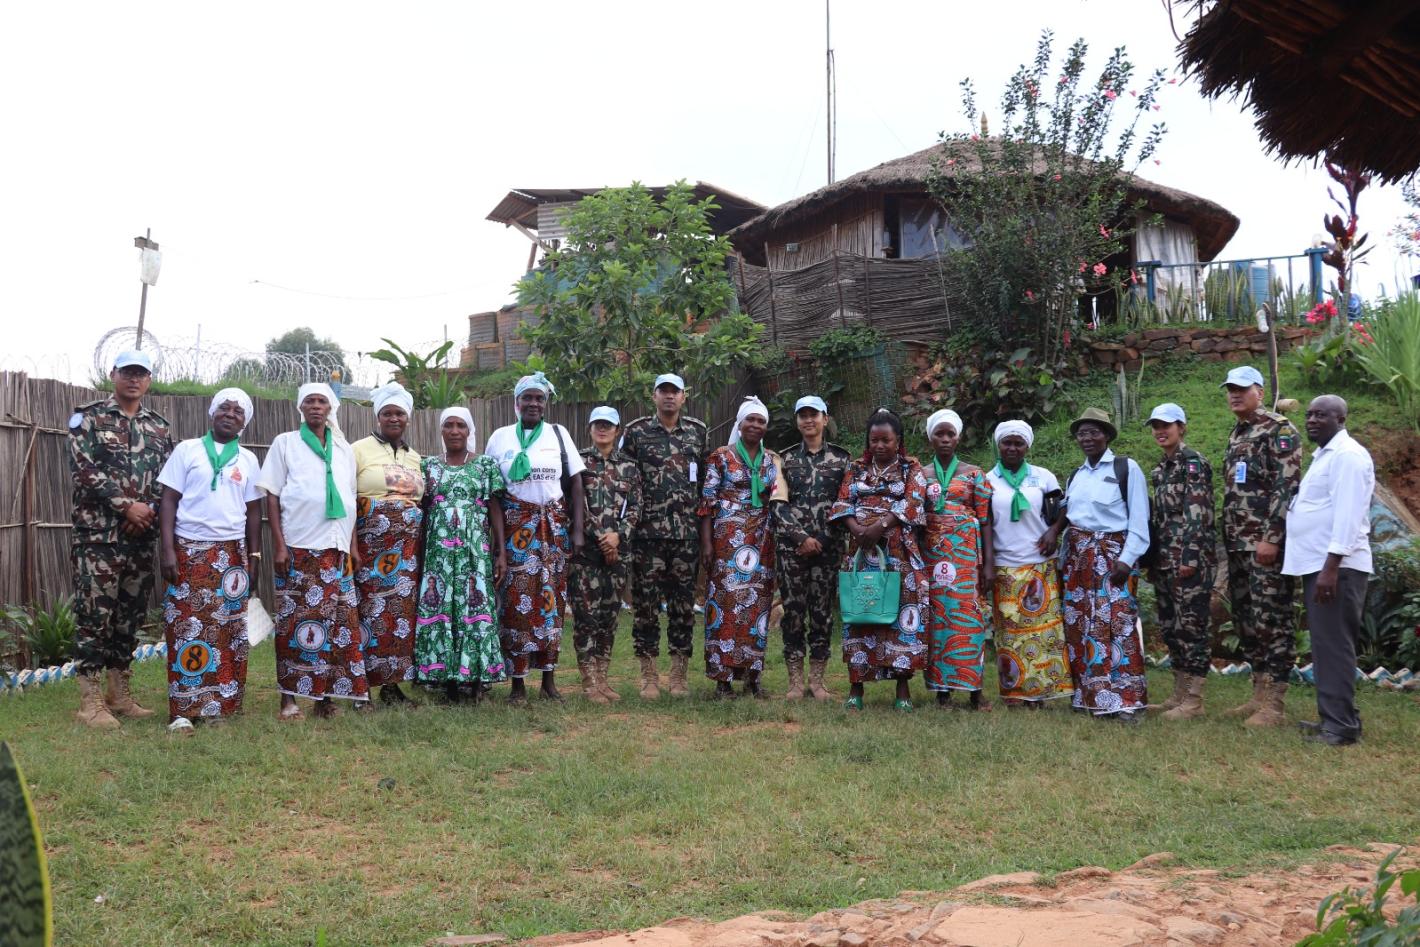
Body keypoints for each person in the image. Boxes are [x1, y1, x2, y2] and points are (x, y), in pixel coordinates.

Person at [68, 349, 173, 729]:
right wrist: (126, 506)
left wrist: (144, 511)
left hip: (139, 537)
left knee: (129, 616)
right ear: (113, 374)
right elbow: (85, 470)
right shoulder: (89, 418)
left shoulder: (159, 426)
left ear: (148, 380)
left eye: (141, 373)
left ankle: (119, 692)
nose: (134, 379)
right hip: (98, 537)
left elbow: (168, 479)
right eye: (127, 372)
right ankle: (89, 699)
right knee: (95, 616)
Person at [156, 388, 263, 733]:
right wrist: (169, 550)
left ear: (244, 422)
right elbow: (169, 500)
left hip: (232, 554)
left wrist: (255, 557)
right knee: (184, 627)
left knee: (227, 631)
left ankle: (219, 705)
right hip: (190, 550)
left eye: (238, 411)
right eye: (225, 408)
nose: (230, 414)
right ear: (212, 413)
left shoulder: (247, 459)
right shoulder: (187, 450)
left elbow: (253, 512)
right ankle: (183, 710)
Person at [259, 383, 365, 719]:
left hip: (337, 548)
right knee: (296, 622)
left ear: (331, 407)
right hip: (300, 546)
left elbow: (349, 499)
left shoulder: (344, 448)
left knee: (338, 625)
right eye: (310, 401)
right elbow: (272, 495)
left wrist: (352, 546)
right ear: (301, 408)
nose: (316, 406)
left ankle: (325, 699)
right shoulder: (285, 443)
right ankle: (288, 699)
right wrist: (279, 544)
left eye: (322, 401)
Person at [484, 372, 585, 702]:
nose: (533, 403)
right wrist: (498, 545)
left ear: (545, 403)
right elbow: (494, 493)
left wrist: (579, 530)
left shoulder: (558, 435)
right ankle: (517, 683)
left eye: (539, 398)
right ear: (516, 403)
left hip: (553, 533)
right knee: (515, 606)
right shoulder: (500, 438)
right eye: (527, 397)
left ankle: (549, 680)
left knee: (552, 605)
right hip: (515, 534)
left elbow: (575, 483)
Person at [1283, 395, 1374, 747]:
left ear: (1341, 417)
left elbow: (1349, 514)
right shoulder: (1326, 455)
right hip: (1322, 565)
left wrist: (1331, 566)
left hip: (1338, 567)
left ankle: (1340, 728)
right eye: (1308, 414)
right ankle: (1335, 719)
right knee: (1326, 645)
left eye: (1321, 415)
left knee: (1334, 645)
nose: (1311, 420)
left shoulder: (1348, 456)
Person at [828, 407, 930, 711]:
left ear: (898, 440)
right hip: (861, 553)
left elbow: (914, 502)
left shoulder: (911, 468)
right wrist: (858, 529)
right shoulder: (857, 468)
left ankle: (902, 691)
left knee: (900, 619)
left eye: (886, 440)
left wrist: (880, 526)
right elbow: (842, 501)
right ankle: (855, 689)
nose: (880, 446)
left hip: (897, 551)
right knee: (860, 613)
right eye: (874, 440)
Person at [1220, 365, 1302, 726]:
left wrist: (1271, 537)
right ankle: (1258, 694)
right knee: (1248, 620)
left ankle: (1276, 704)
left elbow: (1287, 487)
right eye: (1230, 389)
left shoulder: (1279, 430)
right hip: (1238, 545)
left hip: (1265, 545)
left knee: (1274, 619)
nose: (1234, 394)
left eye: (1242, 388)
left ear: (1260, 391)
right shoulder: (1238, 432)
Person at [1059, 408, 1151, 723]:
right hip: (1079, 562)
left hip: (1114, 560)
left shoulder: (1127, 468)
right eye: (1082, 433)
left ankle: (1126, 700)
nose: (1087, 438)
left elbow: (1140, 520)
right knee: (1082, 628)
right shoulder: (1076, 476)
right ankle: (1089, 696)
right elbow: (1069, 520)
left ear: (1107, 435)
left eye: (1094, 432)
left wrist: (1126, 561)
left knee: (1117, 627)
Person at [621, 373, 708, 698]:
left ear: (684, 397)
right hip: (647, 537)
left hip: (686, 537)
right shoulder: (636, 432)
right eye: (663, 391)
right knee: (645, 608)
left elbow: (703, 485)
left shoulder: (697, 432)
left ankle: (679, 676)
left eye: (675, 392)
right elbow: (625, 482)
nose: (669, 397)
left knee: (683, 608)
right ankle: (648, 677)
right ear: (654, 396)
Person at [416, 407, 508, 702]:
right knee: (441, 607)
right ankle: (447, 679)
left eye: (460, 426)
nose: (455, 431)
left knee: (475, 608)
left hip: (474, 552)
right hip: (438, 555)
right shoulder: (428, 466)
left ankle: (478, 678)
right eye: (448, 426)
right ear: (441, 431)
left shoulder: (485, 466)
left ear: (470, 431)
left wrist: (500, 553)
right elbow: (422, 510)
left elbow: (495, 510)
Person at [699, 397, 788, 699]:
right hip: (726, 541)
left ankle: (753, 677)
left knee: (757, 608)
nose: (755, 425)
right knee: (724, 605)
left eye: (761, 421)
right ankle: (722, 680)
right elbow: (707, 503)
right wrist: (707, 544)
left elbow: (779, 498)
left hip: (761, 542)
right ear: (739, 423)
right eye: (750, 419)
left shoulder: (771, 460)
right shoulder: (720, 457)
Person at [984, 420, 1073, 708]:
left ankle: (1041, 694)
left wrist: (1053, 531)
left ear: (1027, 446)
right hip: (1005, 567)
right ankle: (1014, 692)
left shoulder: (1043, 477)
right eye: (1007, 442)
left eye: (1018, 443)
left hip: (1039, 565)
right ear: (999, 445)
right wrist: (987, 562)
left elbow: (1063, 508)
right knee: (1010, 634)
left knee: (1043, 632)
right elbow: (984, 523)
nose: (1012, 448)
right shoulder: (988, 480)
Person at [773, 395, 852, 700]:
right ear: (797, 421)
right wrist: (801, 538)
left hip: (828, 550)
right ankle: (794, 682)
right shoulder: (785, 459)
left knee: (822, 614)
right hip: (792, 551)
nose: (808, 420)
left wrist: (821, 539)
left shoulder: (843, 460)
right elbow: (778, 505)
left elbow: (846, 503)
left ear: (825, 418)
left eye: (814, 415)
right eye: (802, 415)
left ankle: (817, 682)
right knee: (793, 612)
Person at [351, 381, 423, 704]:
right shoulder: (358, 450)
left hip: (405, 552)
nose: (394, 419)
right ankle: (361, 687)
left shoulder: (415, 458)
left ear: (407, 419)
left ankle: (392, 686)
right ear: (378, 417)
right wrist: (352, 546)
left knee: (399, 615)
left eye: (400, 414)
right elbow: (348, 499)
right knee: (367, 612)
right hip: (370, 547)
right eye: (387, 413)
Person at [1145, 403, 1217, 720]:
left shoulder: (1193, 463)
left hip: (1189, 560)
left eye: (1168, 425)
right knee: (1171, 628)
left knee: (1192, 627)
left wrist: (1189, 557)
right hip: (1164, 559)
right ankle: (1178, 694)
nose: (1161, 431)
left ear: (1181, 428)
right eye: (1156, 426)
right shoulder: (1161, 469)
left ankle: (1195, 699)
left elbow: (1198, 514)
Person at [920, 409, 995, 710]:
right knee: (938, 620)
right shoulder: (921, 474)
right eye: (940, 433)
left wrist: (988, 564)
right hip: (932, 556)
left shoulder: (975, 473)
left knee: (971, 620)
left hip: (965, 558)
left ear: (959, 437)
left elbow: (987, 520)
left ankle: (975, 690)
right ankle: (943, 691)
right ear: (931, 438)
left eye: (951, 434)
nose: (946, 439)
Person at [570, 406, 642, 704]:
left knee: (609, 617)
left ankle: (603, 678)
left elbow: (636, 507)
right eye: (597, 424)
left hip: (618, 554)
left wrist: (617, 536)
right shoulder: (577, 462)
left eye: (608, 425)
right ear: (590, 428)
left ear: (617, 429)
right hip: (586, 553)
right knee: (586, 616)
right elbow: (573, 505)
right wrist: (599, 537)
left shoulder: (629, 466)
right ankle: (588, 681)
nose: (603, 429)